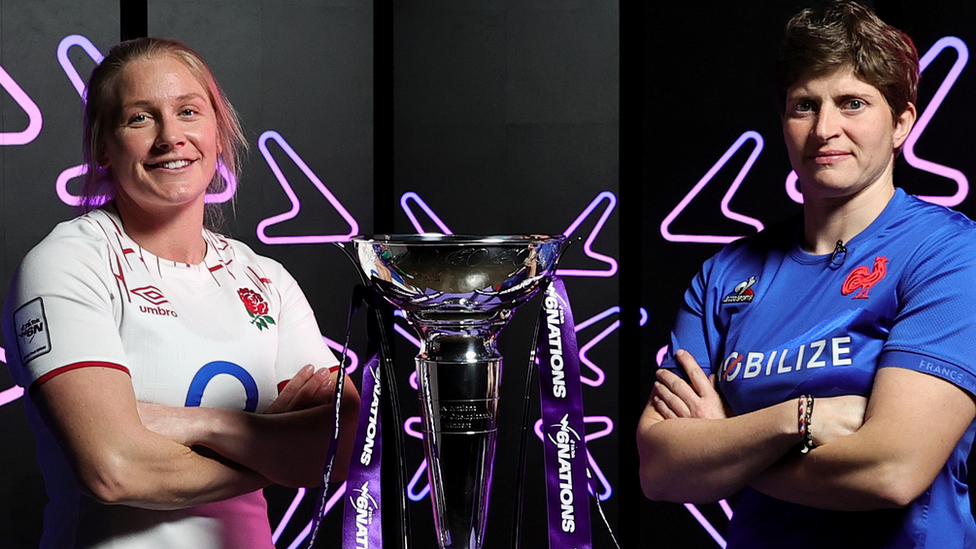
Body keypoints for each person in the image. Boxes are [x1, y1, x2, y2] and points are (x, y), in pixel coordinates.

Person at [637, 2, 976, 548]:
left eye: (853, 103)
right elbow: (659, 469)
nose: (825, 129)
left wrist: (726, 443)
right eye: (804, 106)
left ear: (902, 123)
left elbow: (892, 470)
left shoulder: (948, 253)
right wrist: (797, 419)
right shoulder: (723, 274)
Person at [2, 37, 360, 548]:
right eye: (140, 118)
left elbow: (342, 448)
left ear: (217, 133)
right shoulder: (68, 263)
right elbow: (114, 469)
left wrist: (194, 424)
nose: (171, 136)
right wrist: (269, 449)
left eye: (188, 111)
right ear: (104, 144)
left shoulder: (266, 278)